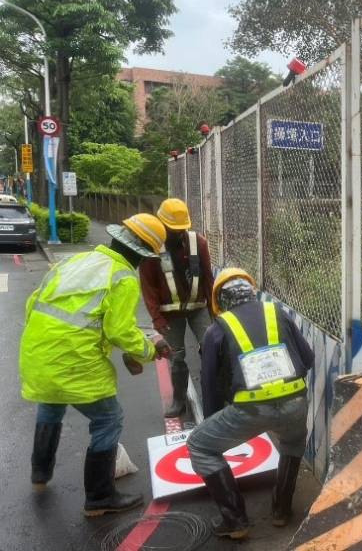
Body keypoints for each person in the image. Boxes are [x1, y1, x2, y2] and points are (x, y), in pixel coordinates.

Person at [19, 213, 172, 517]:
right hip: (73, 361)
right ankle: (100, 497)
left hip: (36, 353)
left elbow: (34, 304)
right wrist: (148, 351)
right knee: (108, 419)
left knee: (51, 405)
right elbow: (120, 331)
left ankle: (40, 472)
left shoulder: (75, 261)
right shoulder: (122, 276)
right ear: (142, 254)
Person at [187, 268, 313, 539]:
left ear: (219, 301)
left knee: (200, 445)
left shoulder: (216, 329)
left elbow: (210, 384)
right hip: (295, 403)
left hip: (249, 410)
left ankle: (235, 521)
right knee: (292, 442)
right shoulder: (278, 313)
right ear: (252, 292)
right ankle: (281, 511)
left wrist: (212, 420)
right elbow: (308, 358)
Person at [139, 198, 214, 417]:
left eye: (182, 229)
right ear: (162, 224)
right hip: (170, 313)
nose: (178, 233)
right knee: (176, 356)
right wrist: (157, 318)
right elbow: (149, 287)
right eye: (173, 229)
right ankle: (179, 400)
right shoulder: (151, 249)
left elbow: (208, 278)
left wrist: (214, 311)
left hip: (198, 307)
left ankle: (216, 396)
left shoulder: (198, 243)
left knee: (211, 348)